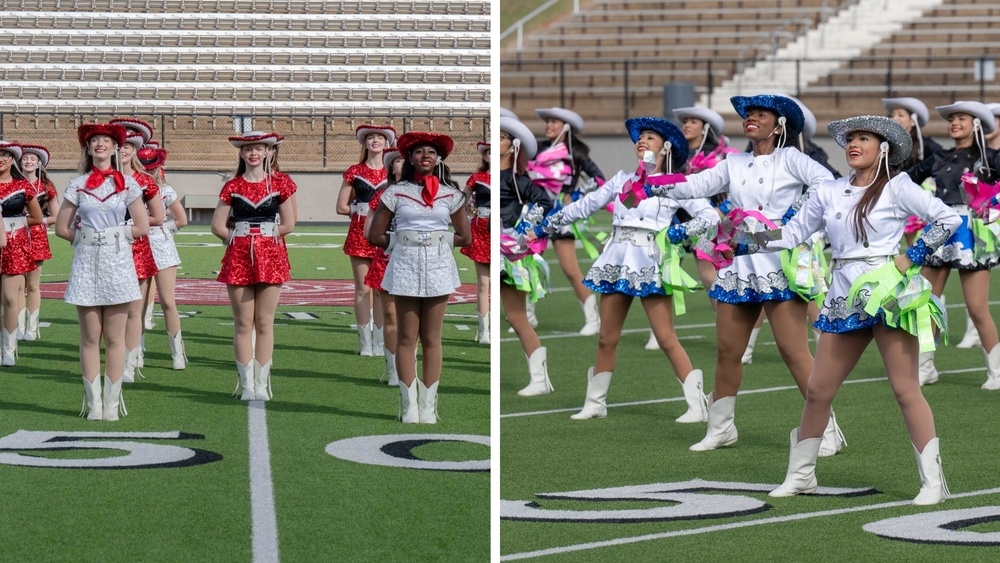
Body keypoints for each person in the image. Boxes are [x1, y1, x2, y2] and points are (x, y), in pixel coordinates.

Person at [756, 116, 959, 505]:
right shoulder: (829, 191)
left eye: (862, 138)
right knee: (818, 390)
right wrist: (746, 241)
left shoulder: (898, 186)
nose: (853, 144)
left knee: (904, 389)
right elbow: (794, 233)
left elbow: (948, 218)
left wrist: (911, 256)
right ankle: (801, 476)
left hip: (887, 294)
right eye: (850, 139)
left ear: (883, 148)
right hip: (842, 293)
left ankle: (933, 483)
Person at [632, 95, 844, 455]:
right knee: (728, 350)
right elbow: (695, 186)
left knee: (793, 351)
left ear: (778, 125)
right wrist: (652, 183)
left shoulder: (792, 158)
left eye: (760, 115)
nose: (751, 119)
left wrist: (795, 217)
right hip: (739, 257)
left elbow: (827, 184)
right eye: (748, 115)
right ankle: (721, 427)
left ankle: (827, 430)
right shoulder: (734, 162)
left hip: (777, 257)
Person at [532, 117, 718, 422]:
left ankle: (697, 405)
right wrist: (545, 226)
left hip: (650, 261)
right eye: (640, 138)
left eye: (650, 138)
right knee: (607, 337)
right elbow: (584, 206)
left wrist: (678, 233)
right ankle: (596, 403)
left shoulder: (674, 185)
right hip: (616, 260)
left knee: (665, 336)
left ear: (666, 147)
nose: (642, 142)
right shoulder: (622, 180)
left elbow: (710, 217)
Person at [367, 132, 472, 424]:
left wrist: (437, 241)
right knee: (405, 336)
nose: (425, 156)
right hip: (404, 265)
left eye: (431, 152)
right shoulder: (394, 193)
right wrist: (402, 242)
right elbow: (375, 234)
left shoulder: (452, 195)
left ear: (438, 159)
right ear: (411, 158)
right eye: (419, 152)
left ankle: (428, 407)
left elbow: (465, 236)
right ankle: (408, 406)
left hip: (439, 266)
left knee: (432, 338)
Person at [55, 123, 149, 420]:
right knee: (89, 337)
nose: (99, 145)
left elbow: (143, 225)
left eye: (105, 141)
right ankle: (93, 404)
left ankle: (112, 404)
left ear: (115, 148)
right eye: (94, 140)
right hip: (86, 261)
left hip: (118, 260)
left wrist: (116, 234)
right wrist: (85, 239)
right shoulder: (78, 183)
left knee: (115, 337)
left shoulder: (129, 184)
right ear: (88, 147)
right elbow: (61, 227)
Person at [905, 101, 1000, 389]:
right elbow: (905, 181)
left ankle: (996, 372)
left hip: (972, 234)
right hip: (940, 229)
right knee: (926, 303)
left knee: (976, 307)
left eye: (961, 118)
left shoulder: (992, 157)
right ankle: (925, 368)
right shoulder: (939, 156)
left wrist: (992, 202)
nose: (954, 123)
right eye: (951, 119)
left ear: (976, 125)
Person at [212, 131, 297, 401]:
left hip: (270, 254)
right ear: (241, 153)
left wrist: (266, 238)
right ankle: (247, 385)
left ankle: (262, 384)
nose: (254, 153)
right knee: (242, 323)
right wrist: (236, 239)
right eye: (248, 148)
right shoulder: (232, 185)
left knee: (264, 321)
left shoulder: (281, 182)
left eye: (259, 148)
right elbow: (217, 225)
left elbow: (289, 223)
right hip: (239, 254)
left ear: (269, 152)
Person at [533, 107, 605, 336]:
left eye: (553, 122)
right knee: (529, 265)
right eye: (548, 122)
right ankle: (527, 315)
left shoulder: (578, 152)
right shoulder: (538, 148)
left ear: (566, 127)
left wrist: (575, 196)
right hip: (537, 214)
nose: (548, 126)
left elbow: (599, 178)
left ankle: (593, 319)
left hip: (563, 216)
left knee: (570, 269)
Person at [498, 117, 554, 396]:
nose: (495, 142)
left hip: (508, 253)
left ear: (513, 145)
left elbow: (546, 202)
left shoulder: (518, 180)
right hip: (485, 248)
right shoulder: (484, 176)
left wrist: (523, 231)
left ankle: (540, 379)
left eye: (501, 137)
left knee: (516, 317)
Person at [109, 118, 164, 382]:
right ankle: (115, 359)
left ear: (135, 149)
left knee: (133, 310)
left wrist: (129, 225)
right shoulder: (100, 179)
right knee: (110, 309)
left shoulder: (144, 181)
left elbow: (159, 217)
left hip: (137, 248)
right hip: (107, 250)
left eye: (128, 146)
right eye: (119, 145)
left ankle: (129, 364)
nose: (123, 151)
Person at [338, 125, 395, 357]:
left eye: (379, 138)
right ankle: (365, 343)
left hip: (384, 232)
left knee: (382, 288)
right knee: (362, 288)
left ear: (386, 143)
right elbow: (340, 207)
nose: (375, 141)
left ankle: (380, 342)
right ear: (365, 143)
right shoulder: (354, 171)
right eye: (370, 138)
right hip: (360, 230)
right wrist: (360, 209)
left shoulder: (393, 172)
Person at [138, 145, 189, 370]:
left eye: (152, 167)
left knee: (168, 301)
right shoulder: (129, 187)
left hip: (162, 247)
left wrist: (161, 227)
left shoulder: (165, 190)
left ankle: (178, 353)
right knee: (137, 305)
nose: (149, 171)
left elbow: (181, 220)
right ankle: (136, 352)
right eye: (144, 167)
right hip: (137, 245)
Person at [0, 141, 43, 365]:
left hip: (15, 244)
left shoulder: (23, 186)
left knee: (9, 297)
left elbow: (36, 218)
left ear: (12, 159)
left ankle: (8, 349)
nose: (1, 158)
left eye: (6, 155)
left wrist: (13, 224)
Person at [363, 147, 403, 385]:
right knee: (390, 314)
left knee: (411, 318)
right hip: (387, 256)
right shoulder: (382, 194)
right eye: (397, 160)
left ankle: (408, 365)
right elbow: (369, 232)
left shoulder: (425, 192)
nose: (402, 164)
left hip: (417, 259)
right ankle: (393, 369)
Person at [18, 144, 58, 341]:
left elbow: (56, 216)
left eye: (32, 159)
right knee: (17, 285)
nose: (28, 161)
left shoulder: (46, 186)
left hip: (37, 236)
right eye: (25, 158)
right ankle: (17, 326)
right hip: (15, 236)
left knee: (33, 285)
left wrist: (40, 220)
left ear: (39, 163)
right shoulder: (12, 182)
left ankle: (32, 328)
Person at [462, 142, 491, 345]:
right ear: (485, 156)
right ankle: (483, 332)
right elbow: (461, 201)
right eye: (489, 152)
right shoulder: (477, 178)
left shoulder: (510, 177)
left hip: (503, 233)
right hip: (480, 230)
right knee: (483, 283)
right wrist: (468, 211)